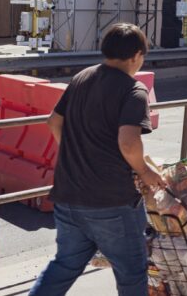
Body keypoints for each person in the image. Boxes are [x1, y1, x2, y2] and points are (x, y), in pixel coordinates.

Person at [30, 23, 165, 296]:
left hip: (68, 195)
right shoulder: (133, 90)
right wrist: (147, 173)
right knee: (131, 272)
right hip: (111, 202)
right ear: (137, 55)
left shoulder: (82, 77)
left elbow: (53, 123)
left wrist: (76, 154)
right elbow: (128, 143)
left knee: (65, 265)